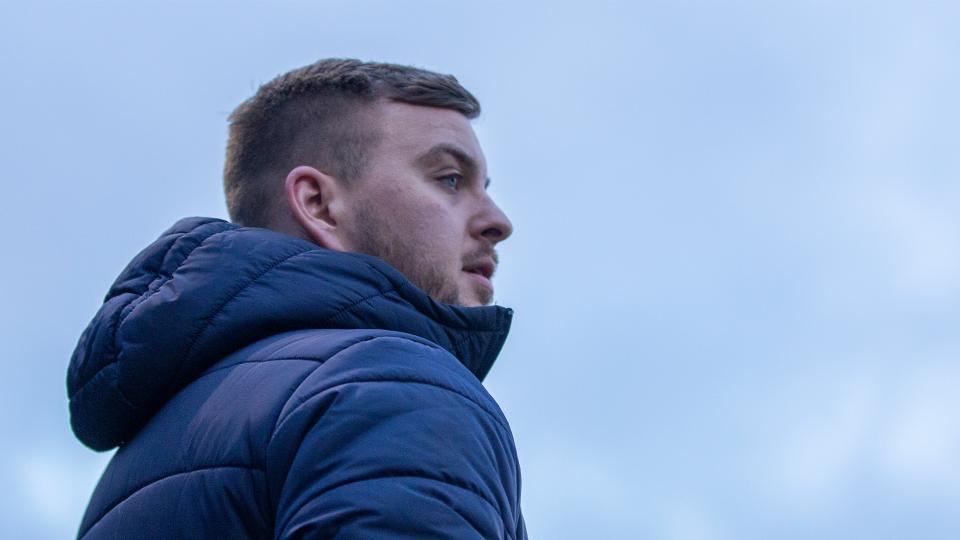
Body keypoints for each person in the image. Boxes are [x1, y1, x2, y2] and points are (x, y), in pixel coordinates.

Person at [66, 59, 526, 539]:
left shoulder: (156, 445)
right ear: (318, 205)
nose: (498, 221)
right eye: (449, 178)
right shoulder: (388, 386)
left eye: (484, 189)